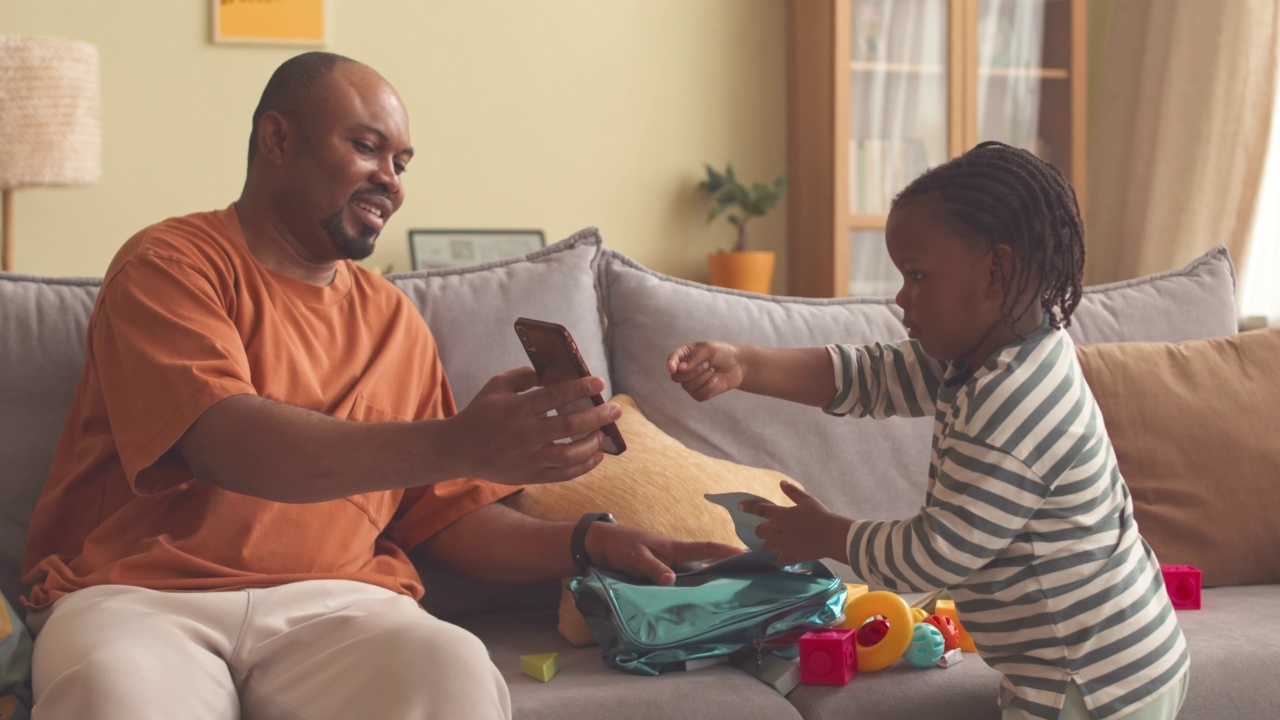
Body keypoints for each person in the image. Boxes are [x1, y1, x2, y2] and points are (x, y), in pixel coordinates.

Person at [20, 51, 739, 720]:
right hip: (141, 599)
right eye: (366, 148)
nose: (391, 179)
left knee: (451, 667)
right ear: (277, 140)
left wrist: (587, 543)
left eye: (401, 161)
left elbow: (444, 519)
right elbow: (225, 439)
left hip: (340, 607)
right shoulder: (170, 264)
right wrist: (459, 442)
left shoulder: (393, 318)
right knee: (116, 693)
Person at [667, 141, 1190, 720]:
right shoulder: (994, 350)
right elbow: (871, 375)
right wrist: (746, 363)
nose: (900, 297)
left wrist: (829, 535)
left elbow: (936, 554)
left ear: (999, 271)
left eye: (917, 276)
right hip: (1105, 661)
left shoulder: (1011, 401)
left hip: (1087, 683)